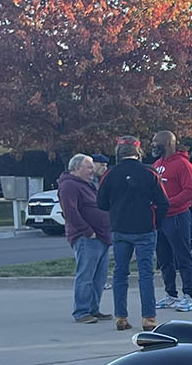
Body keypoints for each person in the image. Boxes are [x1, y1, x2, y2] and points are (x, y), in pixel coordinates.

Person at [95, 137, 168, 331]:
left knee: (120, 273)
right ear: (138, 152)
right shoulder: (149, 172)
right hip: (145, 228)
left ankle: (121, 316)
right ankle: (149, 317)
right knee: (146, 274)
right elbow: (164, 202)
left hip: (120, 227)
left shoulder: (110, 174)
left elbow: (101, 202)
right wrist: (156, 222)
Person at [56, 153, 110, 323]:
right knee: (86, 276)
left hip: (101, 236)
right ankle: (81, 312)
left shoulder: (88, 184)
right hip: (87, 238)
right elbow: (70, 211)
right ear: (77, 168)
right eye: (89, 167)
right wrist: (87, 231)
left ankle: (94, 309)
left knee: (99, 277)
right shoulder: (69, 186)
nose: (92, 170)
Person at [150, 130, 192, 311]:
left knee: (182, 256)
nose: (153, 146)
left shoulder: (183, 164)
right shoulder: (157, 164)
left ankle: (189, 295)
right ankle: (171, 294)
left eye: (157, 143)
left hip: (177, 216)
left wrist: (167, 203)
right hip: (160, 218)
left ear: (169, 144)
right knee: (164, 257)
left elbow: (190, 191)